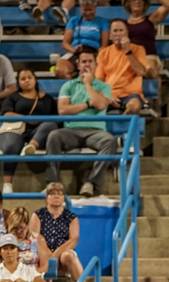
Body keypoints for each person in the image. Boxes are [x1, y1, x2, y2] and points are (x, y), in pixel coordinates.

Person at [46, 47, 118, 198]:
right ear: (78, 65)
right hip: (71, 130)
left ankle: (91, 183)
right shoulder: (68, 86)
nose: (87, 65)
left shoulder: (104, 86)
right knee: (54, 136)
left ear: (96, 64)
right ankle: (53, 183)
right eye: (84, 62)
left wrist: (87, 84)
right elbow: (63, 110)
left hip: (95, 132)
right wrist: (87, 104)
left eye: (90, 61)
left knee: (110, 141)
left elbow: (101, 105)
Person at [0, 70, 58, 195]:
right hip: (17, 129)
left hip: (39, 132)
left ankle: (32, 146)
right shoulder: (13, 97)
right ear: (18, 82)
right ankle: (7, 184)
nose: (27, 81)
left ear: (35, 80)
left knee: (50, 124)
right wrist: (26, 118)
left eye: (29, 77)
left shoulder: (47, 99)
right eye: (23, 79)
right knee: (11, 145)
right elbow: (7, 114)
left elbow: (56, 118)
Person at [31, 184, 90, 282]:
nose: (56, 196)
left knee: (69, 255)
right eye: (53, 193)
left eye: (60, 194)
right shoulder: (38, 215)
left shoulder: (71, 217)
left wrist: (56, 254)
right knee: (44, 260)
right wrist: (48, 255)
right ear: (47, 197)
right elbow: (34, 237)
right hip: (42, 253)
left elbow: (74, 239)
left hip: (62, 254)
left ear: (64, 197)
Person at [95, 20, 149, 115]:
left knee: (134, 106)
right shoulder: (103, 53)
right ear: (110, 34)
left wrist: (128, 51)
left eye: (121, 30)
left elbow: (140, 72)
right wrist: (108, 94)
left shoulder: (138, 49)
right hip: (110, 93)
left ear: (126, 33)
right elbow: (99, 80)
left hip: (131, 94)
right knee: (92, 105)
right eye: (115, 31)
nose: (118, 34)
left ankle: (125, 124)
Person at [58, 0, 109, 81]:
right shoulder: (73, 20)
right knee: (60, 71)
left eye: (90, 10)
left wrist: (97, 55)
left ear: (95, 8)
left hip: (94, 52)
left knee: (99, 73)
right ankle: (75, 85)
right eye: (85, 10)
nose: (88, 13)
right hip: (76, 51)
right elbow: (65, 43)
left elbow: (104, 45)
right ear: (81, 8)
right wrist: (74, 50)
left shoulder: (102, 22)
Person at [124, 0, 169, 79]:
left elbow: (168, 5)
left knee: (149, 69)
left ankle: (154, 84)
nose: (137, 2)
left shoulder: (150, 19)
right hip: (131, 57)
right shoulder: (123, 25)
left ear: (145, 3)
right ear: (128, 3)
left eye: (141, 0)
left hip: (148, 56)